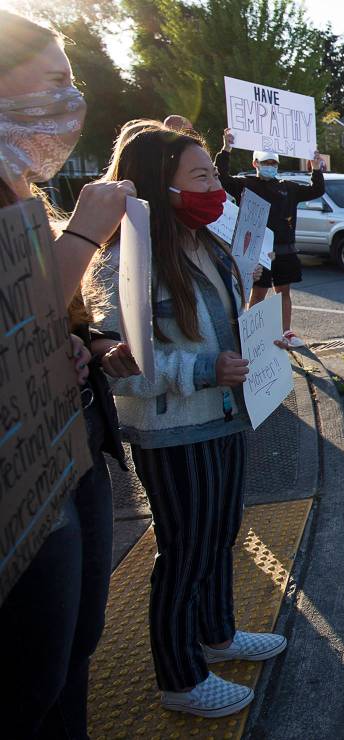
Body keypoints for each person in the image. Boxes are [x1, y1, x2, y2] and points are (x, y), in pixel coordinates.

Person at [97, 122, 287, 718]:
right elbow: (120, 365)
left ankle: (218, 634)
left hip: (226, 420)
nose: (216, 187)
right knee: (184, 549)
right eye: (200, 176)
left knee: (220, 534)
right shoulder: (124, 259)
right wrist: (205, 369)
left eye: (213, 173)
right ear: (160, 184)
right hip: (175, 433)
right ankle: (180, 678)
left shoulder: (205, 241)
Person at [0, 12, 143, 738]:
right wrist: (87, 233)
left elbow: (46, 321)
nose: (71, 100)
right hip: (20, 483)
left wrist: (82, 346)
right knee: (31, 679)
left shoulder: (24, 193)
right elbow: (14, 311)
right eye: (55, 81)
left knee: (76, 646)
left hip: (68, 446)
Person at [215, 132, 326, 347]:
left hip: (285, 250)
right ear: (255, 163)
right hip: (258, 252)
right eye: (265, 162)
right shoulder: (245, 184)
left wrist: (316, 166)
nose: (270, 166)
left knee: (284, 292)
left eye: (273, 162)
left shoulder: (288, 187)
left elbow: (317, 190)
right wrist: (226, 149)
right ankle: (252, 334)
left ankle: (287, 332)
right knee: (257, 295)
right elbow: (221, 177)